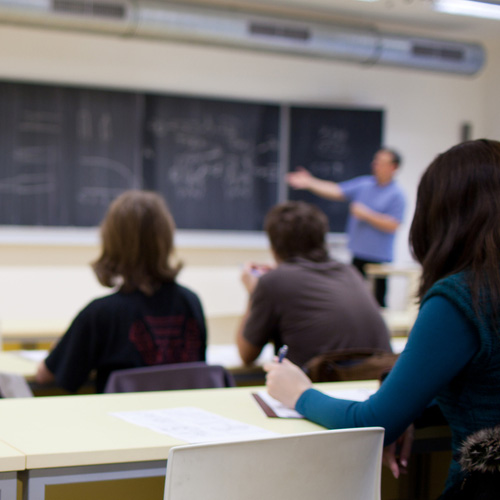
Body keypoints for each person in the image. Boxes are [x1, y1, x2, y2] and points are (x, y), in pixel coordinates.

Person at [265, 139, 500, 495]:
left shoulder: (462, 297)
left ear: (443, 214)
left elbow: (374, 423)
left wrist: (298, 393)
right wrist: (409, 408)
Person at [35, 190, 207, 393]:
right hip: (183, 418)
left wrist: (62, 349)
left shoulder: (100, 314)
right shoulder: (191, 302)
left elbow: (45, 376)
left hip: (117, 422)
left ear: (111, 242)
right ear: (167, 237)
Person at [237, 200, 392, 368]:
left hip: (322, 386)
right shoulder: (349, 272)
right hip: (375, 383)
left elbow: (246, 355)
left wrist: (254, 293)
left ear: (274, 246)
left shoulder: (273, 282)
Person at [287, 148, 406, 306]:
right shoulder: (365, 184)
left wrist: (366, 214)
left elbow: (393, 225)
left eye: (381, 162)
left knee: (377, 303)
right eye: (375, 161)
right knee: (353, 299)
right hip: (358, 254)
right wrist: (310, 182)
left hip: (379, 259)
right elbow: (336, 190)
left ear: (393, 167)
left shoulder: (397, 195)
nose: (375, 165)